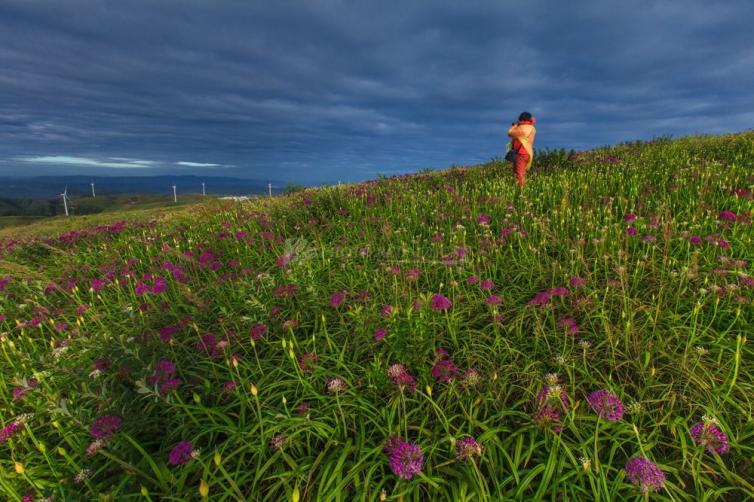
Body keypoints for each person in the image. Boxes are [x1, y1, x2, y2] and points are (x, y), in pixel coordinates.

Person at [507, 112, 537, 187]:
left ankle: (521, 191)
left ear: (521, 119)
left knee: (519, 173)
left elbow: (510, 133)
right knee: (519, 172)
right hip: (524, 153)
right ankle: (520, 188)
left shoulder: (525, 127)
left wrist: (515, 125)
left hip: (521, 153)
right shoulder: (530, 127)